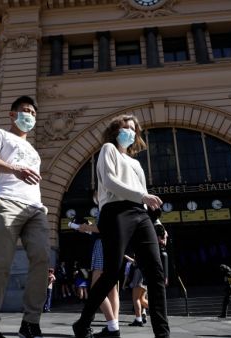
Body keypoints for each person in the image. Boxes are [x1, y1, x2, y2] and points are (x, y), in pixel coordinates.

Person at [72, 114, 169, 338]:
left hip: (140, 214)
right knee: (111, 273)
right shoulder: (108, 149)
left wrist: (157, 223)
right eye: (126, 128)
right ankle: (83, 322)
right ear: (115, 131)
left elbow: (143, 196)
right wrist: (143, 196)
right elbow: (109, 182)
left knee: (155, 274)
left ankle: (163, 334)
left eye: (134, 129)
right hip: (115, 212)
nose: (130, 132)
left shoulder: (136, 162)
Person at [0, 95, 50, 338]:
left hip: (35, 209)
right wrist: (14, 170)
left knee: (41, 260)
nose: (29, 115)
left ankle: (31, 322)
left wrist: (40, 204)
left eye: (33, 112)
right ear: (13, 114)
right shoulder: (0, 134)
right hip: (7, 203)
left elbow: (33, 181)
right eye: (25, 110)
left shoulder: (34, 152)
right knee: (1, 265)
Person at [73, 192, 121, 337]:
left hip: (103, 248)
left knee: (96, 289)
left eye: (96, 195)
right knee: (112, 289)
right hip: (114, 248)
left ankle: (113, 327)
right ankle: (113, 326)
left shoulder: (104, 207)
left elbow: (101, 228)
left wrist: (84, 227)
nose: (95, 198)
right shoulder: (116, 206)